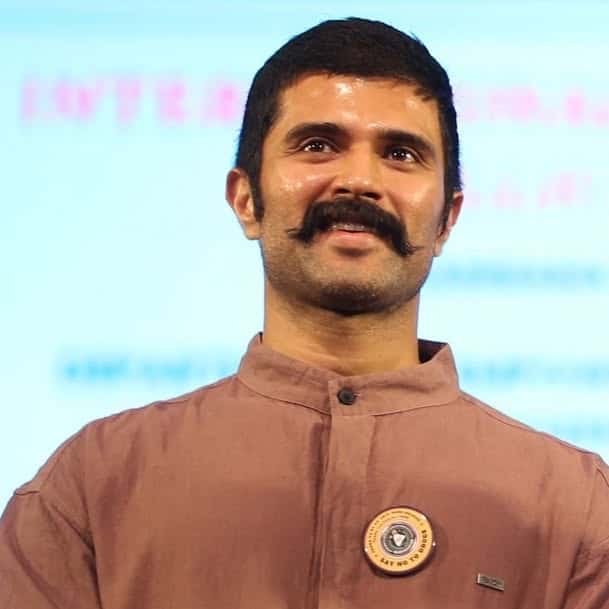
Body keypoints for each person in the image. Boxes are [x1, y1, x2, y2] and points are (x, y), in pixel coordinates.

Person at [1, 17, 608, 609]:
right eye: (318, 145)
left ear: (447, 219)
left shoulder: (574, 509)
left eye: (400, 153)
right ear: (247, 200)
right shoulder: (93, 487)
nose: (359, 180)